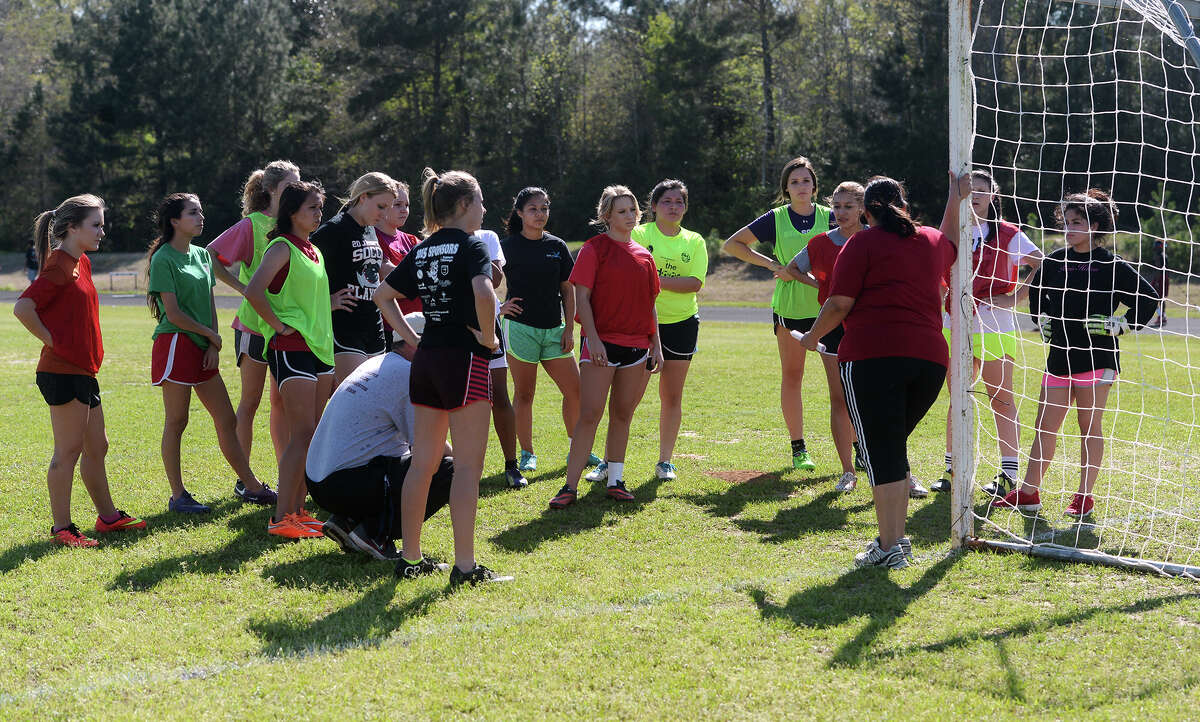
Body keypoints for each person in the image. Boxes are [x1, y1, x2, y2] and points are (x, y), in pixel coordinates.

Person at [797, 174, 966, 569]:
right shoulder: (930, 241)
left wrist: (810, 337)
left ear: (867, 211)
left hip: (873, 359)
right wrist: (954, 199)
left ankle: (890, 547)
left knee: (882, 453)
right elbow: (947, 239)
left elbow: (839, 304)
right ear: (903, 206)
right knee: (889, 450)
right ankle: (893, 543)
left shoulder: (861, 242)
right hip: (929, 362)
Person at [374, 167, 513, 586]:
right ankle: (466, 567)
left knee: (423, 463)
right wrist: (489, 338)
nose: (486, 209)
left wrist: (411, 337)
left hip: (427, 360)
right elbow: (485, 291)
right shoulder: (472, 245)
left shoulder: (424, 247)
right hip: (463, 361)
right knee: (468, 468)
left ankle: (411, 558)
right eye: (482, 201)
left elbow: (383, 295)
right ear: (466, 205)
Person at [993, 189, 1159, 518]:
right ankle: (1028, 493)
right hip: (1059, 358)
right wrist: (1041, 321)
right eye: (1066, 222)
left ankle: (1084, 496)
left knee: (1088, 427)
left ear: (1095, 226)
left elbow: (1149, 298)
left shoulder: (1112, 265)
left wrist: (1121, 324)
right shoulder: (1054, 261)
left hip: (1097, 360)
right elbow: (1036, 293)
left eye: (1077, 222)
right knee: (1044, 426)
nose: (1069, 228)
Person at [13, 195, 147, 546]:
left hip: (83, 370)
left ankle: (108, 518)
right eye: (96, 225)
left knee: (97, 445)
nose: (103, 231)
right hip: (61, 371)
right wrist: (53, 342)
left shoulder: (81, 262)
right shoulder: (58, 265)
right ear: (72, 228)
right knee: (68, 450)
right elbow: (24, 307)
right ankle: (62, 529)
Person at [145, 193, 277, 514]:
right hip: (176, 343)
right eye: (193, 213)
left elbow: (209, 302)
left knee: (227, 419)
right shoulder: (163, 258)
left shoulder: (203, 255)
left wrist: (213, 343)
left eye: (201, 211)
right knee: (177, 421)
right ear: (175, 221)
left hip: (203, 344)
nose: (201, 217)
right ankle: (178, 497)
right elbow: (173, 314)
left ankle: (253, 486)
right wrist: (210, 336)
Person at [307, 312, 455, 568]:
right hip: (344, 483)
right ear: (414, 342)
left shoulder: (376, 363)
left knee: (405, 463)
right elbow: (429, 446)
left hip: (317, 481)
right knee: (450, 470)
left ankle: (350, 521)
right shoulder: (410, 374)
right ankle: (376, 533)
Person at [549, 185, 663, 509]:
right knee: (590, 414)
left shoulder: (645, 256)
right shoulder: (593, 249)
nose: (629, 216)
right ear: (606, 216)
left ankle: (616, 480)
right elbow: (581, 298)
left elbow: (650, 304)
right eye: (622, 211)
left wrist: (657, 346)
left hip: (638, 347)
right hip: (600, 345)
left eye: (632, 211)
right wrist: (594, 339)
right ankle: (569, 486)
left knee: (622, 415)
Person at [933, 169, 1044, 498]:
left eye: (983, 189)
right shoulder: (951, 232)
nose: (976, 194)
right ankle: (953, 471)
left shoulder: (1008, 234)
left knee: (1001, 399)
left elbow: (1041, 262)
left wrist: (1015, 296)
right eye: (971, 189)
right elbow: (934, 261)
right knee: (958, 399)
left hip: (995, 326)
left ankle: (1008, 473)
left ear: (993, 195)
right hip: (956, 326)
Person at [723, 156, 832, 472]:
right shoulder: (776, 217)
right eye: (794, 181)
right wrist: (773, 265)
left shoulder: (831, 216)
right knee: (793, 376)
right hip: (790, 307)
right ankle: (799, 449)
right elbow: (734, 245)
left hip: (828, 306)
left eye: (806, 181)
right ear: (786, 188)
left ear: (814, 185)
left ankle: (855, 449)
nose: (801, 186)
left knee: (839, 381)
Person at [245, 180, 338, 539]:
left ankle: (298, 511)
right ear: (292, 212)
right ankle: (282, 516)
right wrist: (278, 326)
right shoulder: (281, 246)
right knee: (300, 434)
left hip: (319, 349)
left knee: (312, 436)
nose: (319, 213)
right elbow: (254, 291)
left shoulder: (314, 250)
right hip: (293, 349)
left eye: (320, 207)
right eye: (312, 207)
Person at [207, 160, 300, 494]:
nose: (296, 191)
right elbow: (211, 256)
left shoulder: (297, 224)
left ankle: (286, 473)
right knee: (250, 402)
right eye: (290, 186)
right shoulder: (252, 225)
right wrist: (244, 289)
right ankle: (245, 481)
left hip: (288, 330)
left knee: (283, 403)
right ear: (271, 191)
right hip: (254, 328)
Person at [500, 187, 599, 475]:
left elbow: (568, 290)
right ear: (520, 213)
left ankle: (577, 448)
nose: (540, 214)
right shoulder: (507, 247)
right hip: (520, 330)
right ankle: (527, 453)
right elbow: (482, 280)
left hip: (554, 330)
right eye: (533, 209)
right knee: (525, 394)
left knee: (575, 391)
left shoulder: (557, 246)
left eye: (544, 208)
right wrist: (499, 307)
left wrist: (569, 327)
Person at [785, 181, 869, 493]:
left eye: (849, 206)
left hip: (872, 326)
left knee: (873, 397)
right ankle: (848, 471)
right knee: (840, 398)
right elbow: (793, 268)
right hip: (833, 327)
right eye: (837, 206)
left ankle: (884, 464)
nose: (842, 212)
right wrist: (823, 288)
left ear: (862, 208)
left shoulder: (873, 239)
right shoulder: (820, 242)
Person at [632, 179, 708, 481]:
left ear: (685, 207)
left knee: (672, 396)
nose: (673, 207)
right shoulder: (639, 234)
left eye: (679, 202)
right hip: (640, 323)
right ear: (653, 206)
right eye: (667, 201)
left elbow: (694, 283)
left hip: (682, 324)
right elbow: (631, 274)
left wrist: (653, 280)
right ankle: (612, 460)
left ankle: (665, 461)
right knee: (629, 396)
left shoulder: (695, 241)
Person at [311, 172, 398, 384]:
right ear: (363, 197)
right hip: (344, 327)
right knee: (357, 394)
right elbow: (304, 273)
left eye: (389, 207)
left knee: (375, 397)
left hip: (373, 324)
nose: (385, 214)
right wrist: (326, 302)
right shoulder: (333, 230)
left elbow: (378, 271)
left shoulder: (370, 229)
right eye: (381, 206)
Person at [476, 227, 527, 488]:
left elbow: (495, 280)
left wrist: (474, 248)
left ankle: (511, 465)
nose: (483, 209)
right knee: (460, 399)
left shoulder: (487, 237)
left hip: (488, 324)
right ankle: (464, 466)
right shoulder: (438, 236)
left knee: (499, 395)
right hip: (453, 326)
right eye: (477, 202)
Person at [376, 180, 423, 325]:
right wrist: (422, 279)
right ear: (383, 205)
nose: (404, 210)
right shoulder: (372, 238)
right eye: (397, 205)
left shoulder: (412, 240)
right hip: (391, 327)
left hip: (420, 324)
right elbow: (390, 279)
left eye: (407, 205)